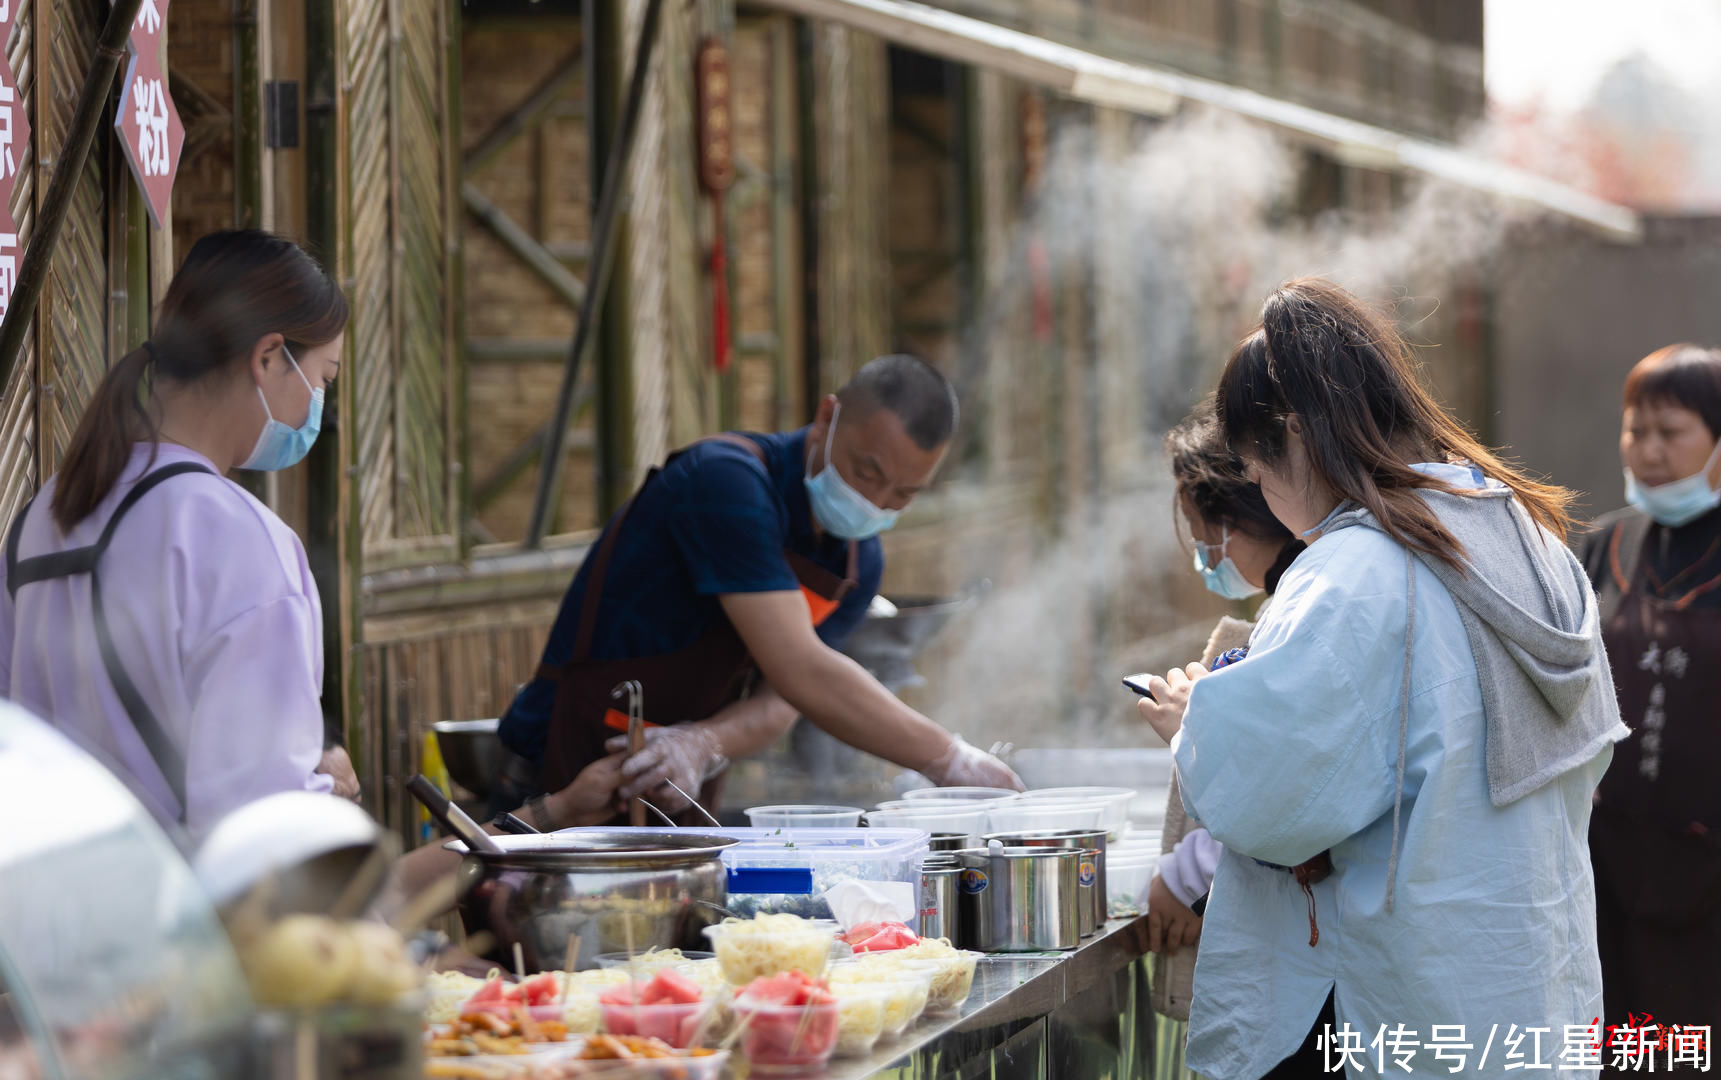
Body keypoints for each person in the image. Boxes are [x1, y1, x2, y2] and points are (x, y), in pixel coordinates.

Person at [1137, 278, 1626, 1079]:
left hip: (1406, 993)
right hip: (1525, 976)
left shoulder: (1354, 573)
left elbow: (1269, 803)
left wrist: (1197, 722)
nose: (1263, 495)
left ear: (1293, 435)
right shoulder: (1523, 533)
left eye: (1258, 473)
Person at [497, 354, 1020, 823]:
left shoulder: (859, 560)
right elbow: (800, 667)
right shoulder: (727, 484)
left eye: (903, 494)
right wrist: (947, 758)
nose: (876, 502)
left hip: (675, 788)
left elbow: (783, 701)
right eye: (866, 472)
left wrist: (704, 742)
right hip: (562, 771)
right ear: (826, 418)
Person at [1579, 343, 1721, 1050]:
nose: (1648, 450)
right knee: (1612, 1034)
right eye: (1635, 430)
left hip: (1709, 866)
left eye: (1671, 432)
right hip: (1606, 851)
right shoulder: (1604, 545)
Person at [1148, 402, 1305, 1035]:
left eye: (1201, 532)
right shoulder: (1305, 592)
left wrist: (1187, 876)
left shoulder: (1308, 608)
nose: (1206, 555)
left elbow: (1287, 784)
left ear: (1234, 522)